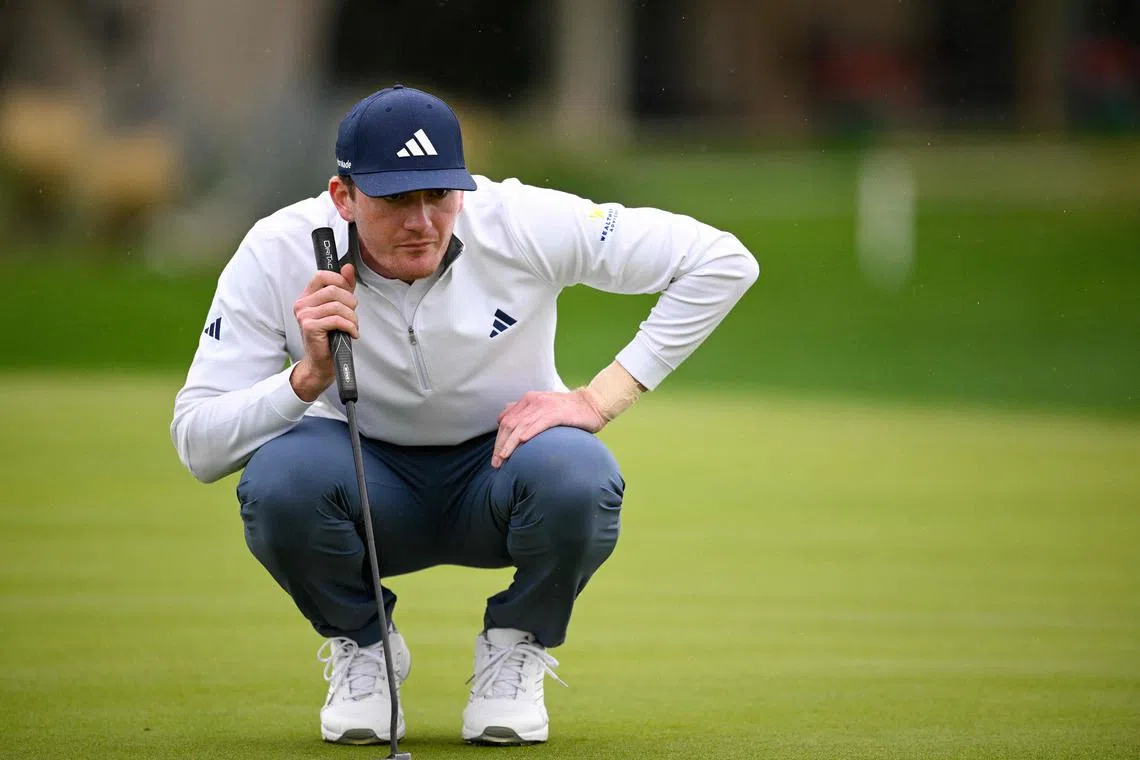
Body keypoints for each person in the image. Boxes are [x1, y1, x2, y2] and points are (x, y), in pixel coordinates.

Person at [170, 84, 759, 747]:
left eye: (439, 194)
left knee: (579, 473)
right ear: (344, 197)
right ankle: (364, 647)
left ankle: (515, 647)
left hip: (504, 475)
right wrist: (305, 380)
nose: (422, 220)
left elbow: (722, 261)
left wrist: (598, 398)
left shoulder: (520, 221)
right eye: (395, 199)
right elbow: (198, 445)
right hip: (363, 482)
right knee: (279, 481)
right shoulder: (276, 250)